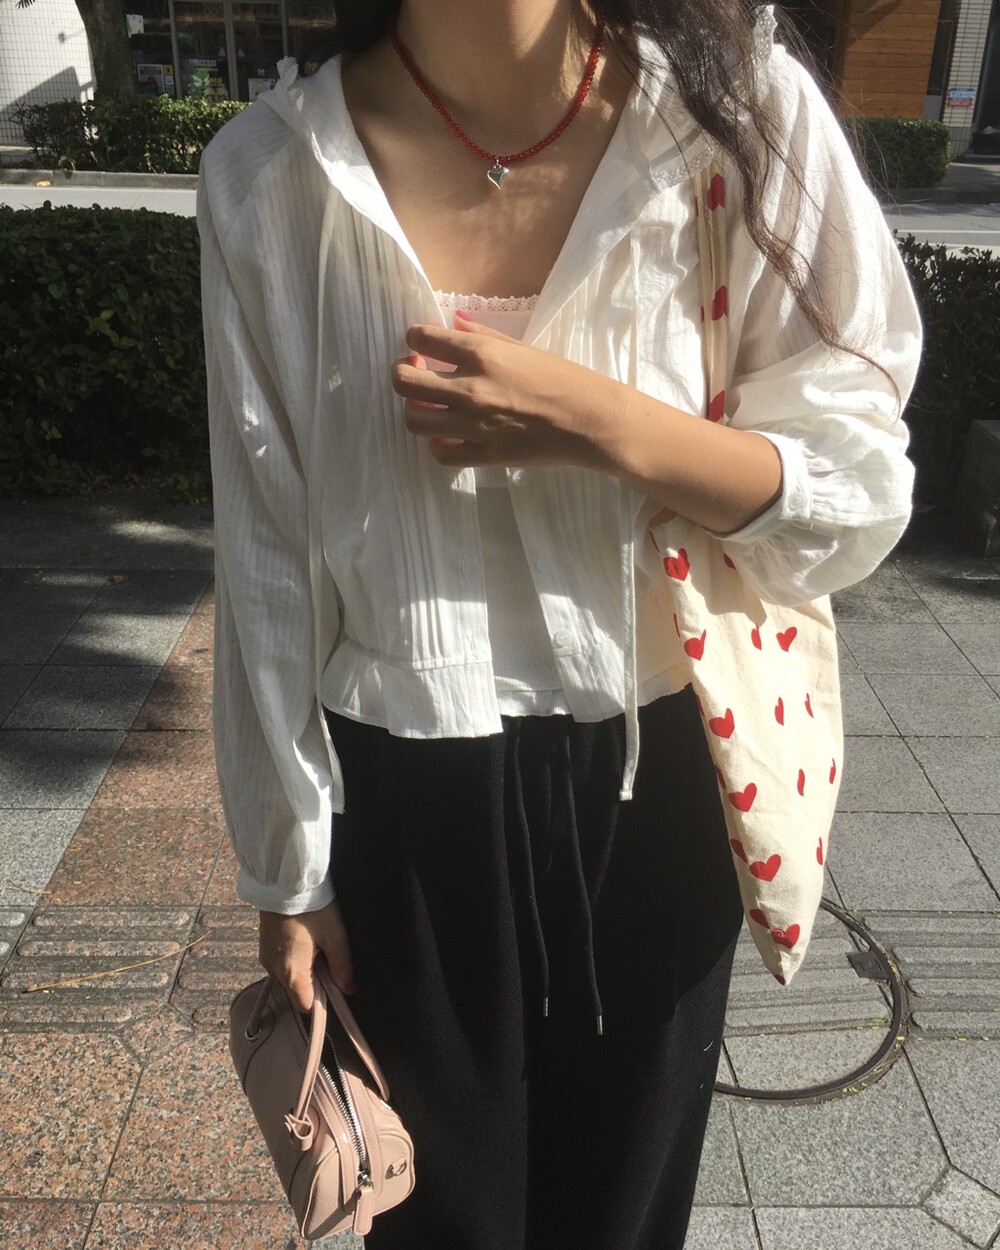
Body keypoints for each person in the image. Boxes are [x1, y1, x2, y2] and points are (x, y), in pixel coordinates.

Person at [197, 1, 920, 1245]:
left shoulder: (736, 114)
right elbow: (264, 545)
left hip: (668, 769)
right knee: (442, 1224)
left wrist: (597, 421)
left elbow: (857, 486)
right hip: (401, 796)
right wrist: (287, 863)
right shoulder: (270, 172)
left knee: (627, 1214)